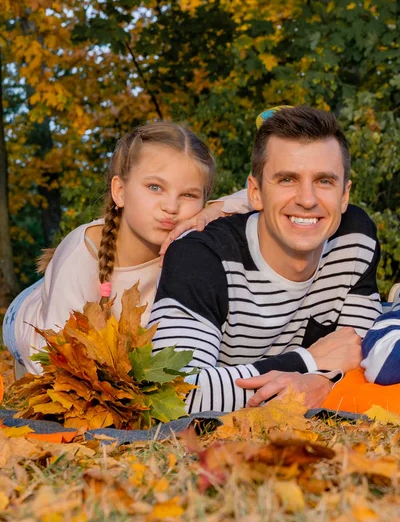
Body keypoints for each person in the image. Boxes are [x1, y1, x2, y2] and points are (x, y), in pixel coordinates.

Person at [148, 105, 382, 413]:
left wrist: (320, 383)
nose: (307, 199)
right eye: (287, 179)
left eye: (324, 181)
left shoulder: (354, 237)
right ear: (255, 192)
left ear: (344, 195)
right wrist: (309, 361)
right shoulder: (200, 256)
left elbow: (359, 356)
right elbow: (173, 394)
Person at [3, 121, 249, 376]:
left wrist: (214, 211)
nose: (171, 206)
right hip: (33, 325)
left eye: (188, 195)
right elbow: (48, 360)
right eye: (155, 187)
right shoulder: (80, 256)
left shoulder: (195, 236)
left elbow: (263, 196)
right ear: (119, 191)